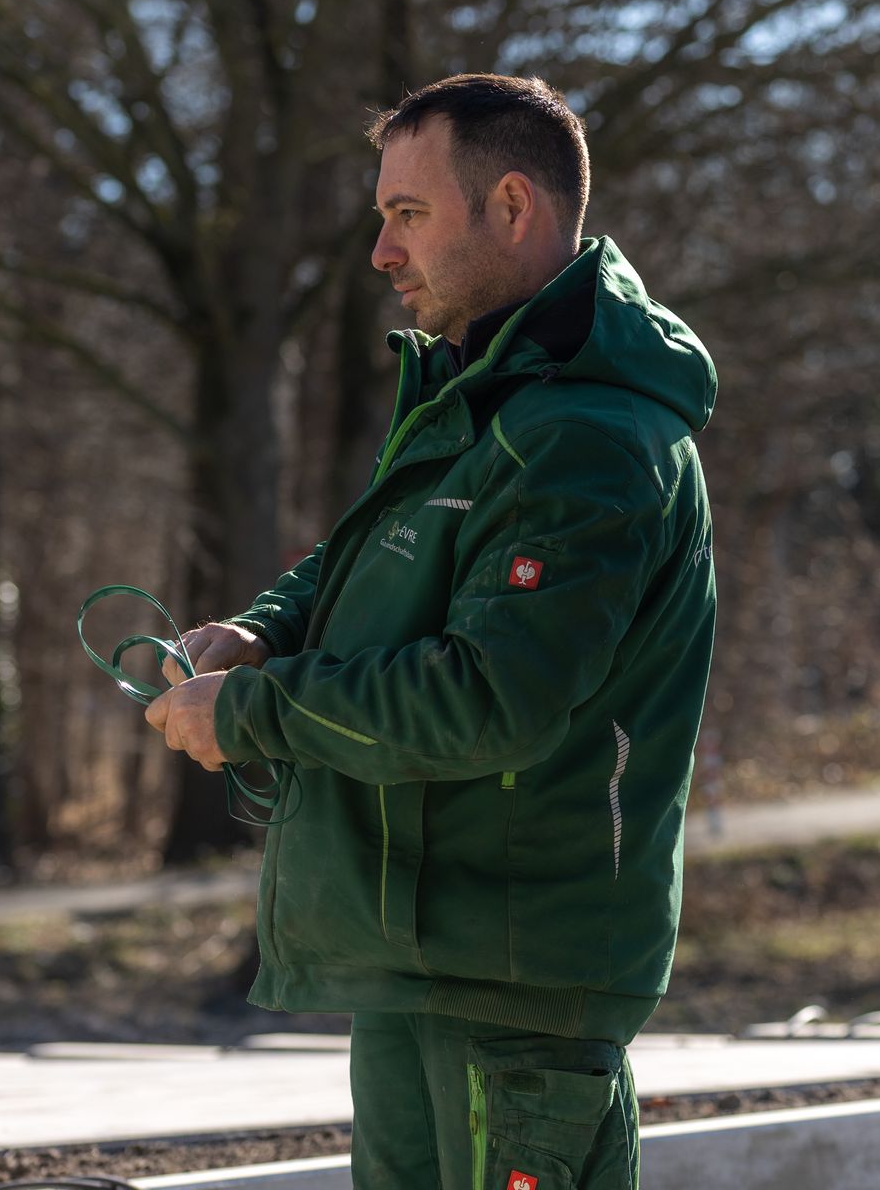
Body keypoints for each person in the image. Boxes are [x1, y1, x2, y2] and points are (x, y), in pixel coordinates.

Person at [143, 73, 717, 1190]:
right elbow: (368, 562)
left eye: (408, 213)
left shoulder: (586, 437)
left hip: (518, 982)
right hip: (423, 960)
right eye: (382, 216)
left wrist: (254, 712)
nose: (381, 252)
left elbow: (489, 697)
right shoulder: (483, 398)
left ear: (513, 205)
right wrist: (263, 631)